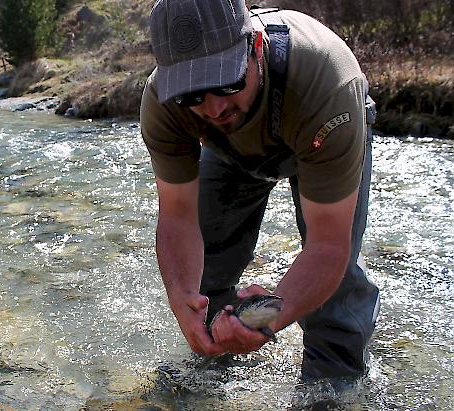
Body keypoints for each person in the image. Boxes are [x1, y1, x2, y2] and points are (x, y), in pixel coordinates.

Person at [139, 0, 380, 381]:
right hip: (232, 150)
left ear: (256, 47)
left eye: (226, 81)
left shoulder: (328, 83)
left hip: (319, 124)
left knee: (336, 288)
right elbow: (177, 217)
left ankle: (331, 391)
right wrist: (182, 298)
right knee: (205, 273)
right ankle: (213, 361)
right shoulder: (164, 104)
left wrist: (271, 318)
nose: (214, 107)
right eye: (193, 95)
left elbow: (328, 247)